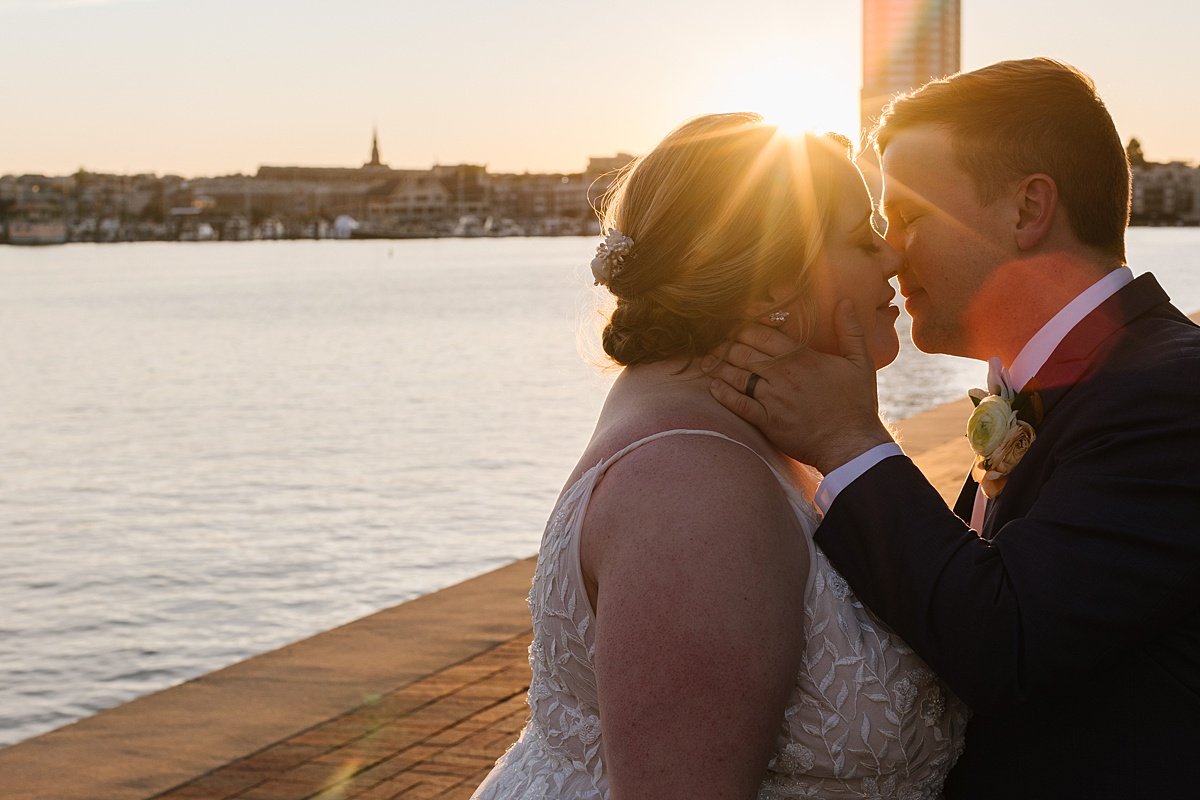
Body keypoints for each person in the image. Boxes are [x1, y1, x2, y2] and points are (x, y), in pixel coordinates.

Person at [707, 58, 1200, 798]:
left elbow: (1012, 641)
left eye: (909, 216)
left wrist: (850, 442)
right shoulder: (1067, 383)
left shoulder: (1170, 392)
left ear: (1028, 210)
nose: (891, 251)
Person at [472, 113, 967, 800]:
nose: (891, 259)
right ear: (770, 286)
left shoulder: (732, 420)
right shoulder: (693, 491)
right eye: (860, 239)